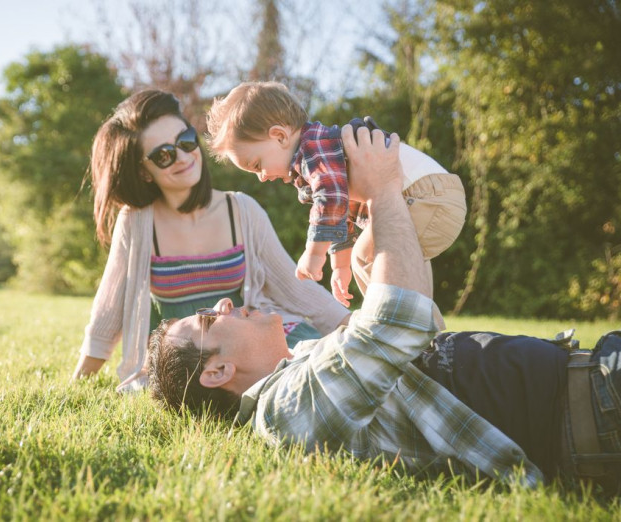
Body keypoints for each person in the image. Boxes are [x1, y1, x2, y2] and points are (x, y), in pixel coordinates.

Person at [147, 126, 621, 491]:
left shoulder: (308, 361)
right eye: (209, 319)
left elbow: (422, 328)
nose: (226, 303)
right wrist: (384, 190)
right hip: (593, 409)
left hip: (592, 374)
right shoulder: (284, 410)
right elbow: (399, 323)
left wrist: (372, 232)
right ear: (217, 372)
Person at [73, 90, 350, 392]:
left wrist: (354, 325)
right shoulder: (137, 221)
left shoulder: (242, 210)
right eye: (163, 155)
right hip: (191, 364)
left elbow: (296, 288)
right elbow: (109, 306)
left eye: (186, 141)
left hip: (252, 348)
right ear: (144, 171)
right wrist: (80, 380)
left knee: (329, 377)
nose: (182, 157)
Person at [206, 81, 466, 312]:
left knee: (368, 257)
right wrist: (341, 266)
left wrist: (314, 253)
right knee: (397, 266)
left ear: (280, 136)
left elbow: (329, 199)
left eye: (256, 164)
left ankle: (389, 325)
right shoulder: (325, 152)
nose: (261, 177)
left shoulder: (313, 148)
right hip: (435, 195)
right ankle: (421, 333)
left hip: (426, 195)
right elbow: (343, 210)